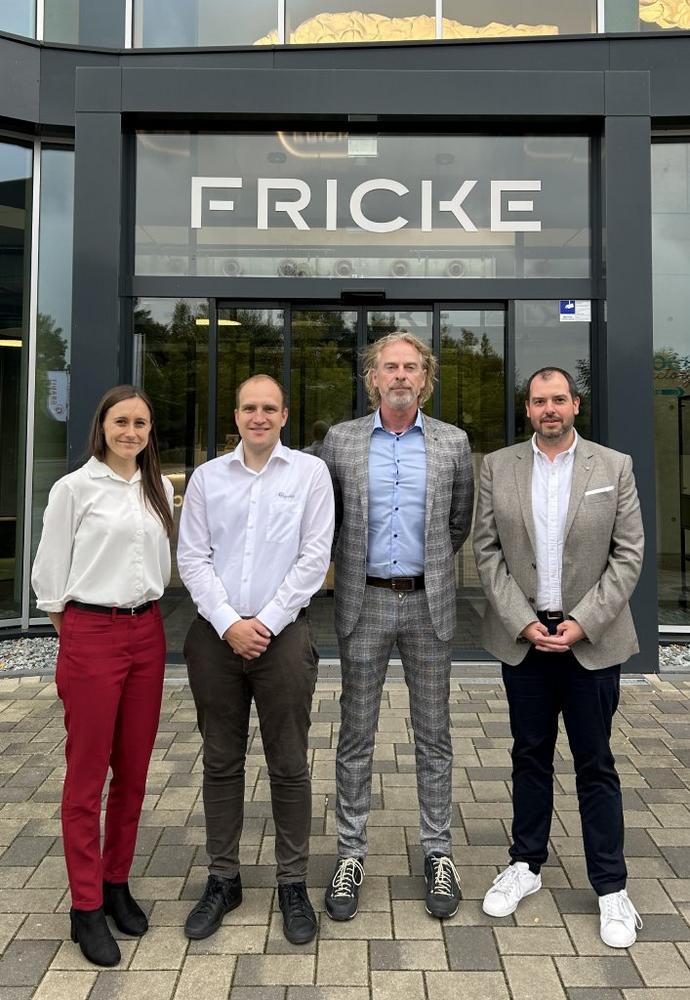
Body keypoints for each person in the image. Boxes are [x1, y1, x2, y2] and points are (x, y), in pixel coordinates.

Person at [473, 367, 644, 948]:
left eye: (559, 399)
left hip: (591, 640)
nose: (550, 409)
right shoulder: (498, 467)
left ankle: (611, 887)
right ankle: (526, 864)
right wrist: (522, 620)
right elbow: (487, 552)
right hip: (524, 640)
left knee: (595, 763)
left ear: (575, 405)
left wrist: (583, 622)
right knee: (530, 756)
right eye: (539, 401)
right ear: (527, 408)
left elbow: (629, 554)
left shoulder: (612, 466)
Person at [321, 332, 474, 921]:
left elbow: (457, 522)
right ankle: (350, 854)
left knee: (434, 735)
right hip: (363, 604)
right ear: (373, 377)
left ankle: (438, 852)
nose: (401, 375)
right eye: (391, 366)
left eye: (412, 366)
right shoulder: (342, 440)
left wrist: (426, 567)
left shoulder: (453, 443)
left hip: (427, 606)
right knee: (355, 734)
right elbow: (331, 520)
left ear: (426, 377)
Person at [177, 374, 334, 945]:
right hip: (215, 637)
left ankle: (292, 882)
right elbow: (192, 558)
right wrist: (229, 623)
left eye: (269, 408)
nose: (259, 417)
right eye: (249, 408)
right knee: (221, 762)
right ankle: (224, 879)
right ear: (237, 415)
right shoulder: (207, 478)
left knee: (288, 763)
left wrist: (264, 623)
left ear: (285, 415)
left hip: (283, 637)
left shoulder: (310, 474)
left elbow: (314, 557)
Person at [31, 385, 174, 967]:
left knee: (134, 771)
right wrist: (81, 638)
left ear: (149, 432)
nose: (130, 432)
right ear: (102, 426)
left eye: (140, 423)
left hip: (148, 632)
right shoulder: (74, 489)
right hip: (91, 631)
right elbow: (49, 577)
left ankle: (117, 883)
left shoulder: (159, 488)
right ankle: (85, 906)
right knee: (86, 777)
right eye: (121, 421)